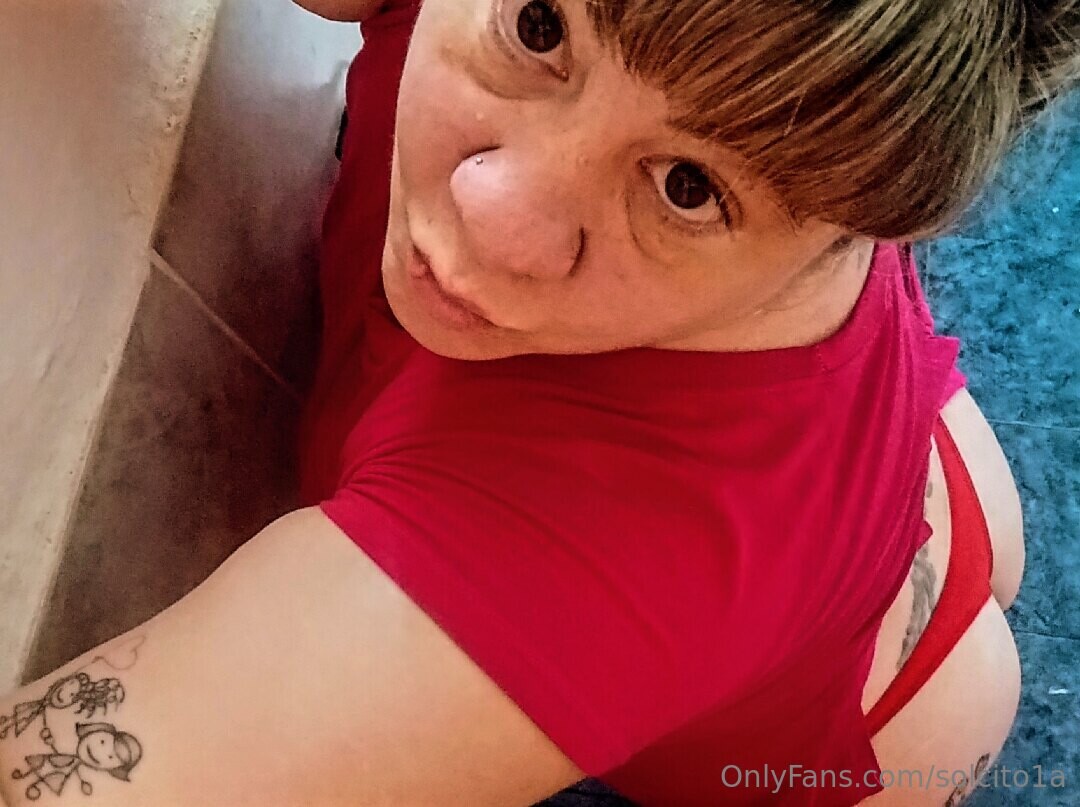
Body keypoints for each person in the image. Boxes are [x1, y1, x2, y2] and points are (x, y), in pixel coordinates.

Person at [1, 0, 1073, 804]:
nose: (490, 210)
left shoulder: (582, 570)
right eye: (540, 25)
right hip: (889, 442)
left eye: (686, 187)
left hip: (883, 727)